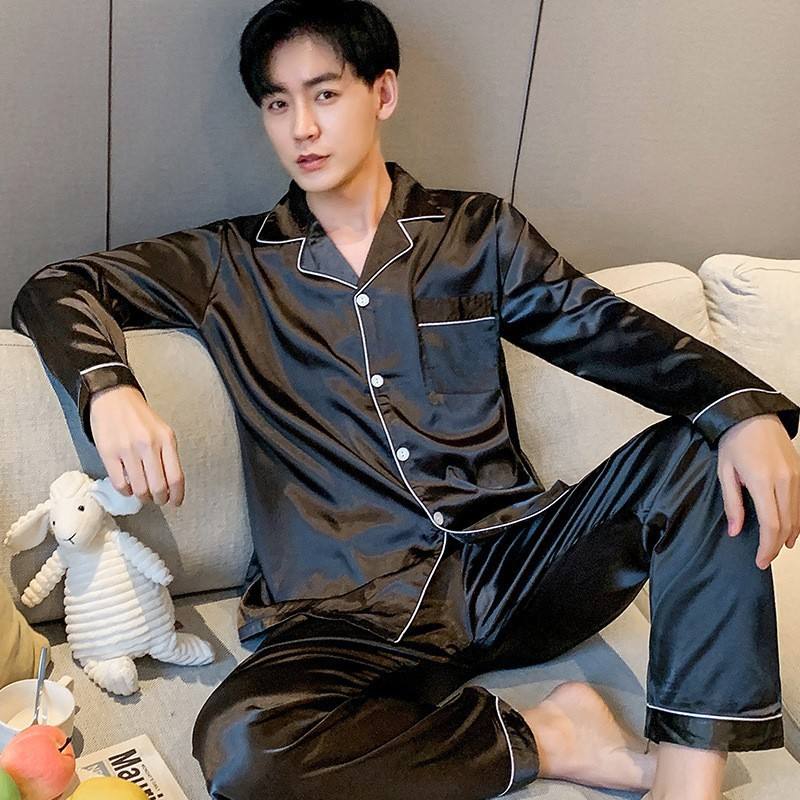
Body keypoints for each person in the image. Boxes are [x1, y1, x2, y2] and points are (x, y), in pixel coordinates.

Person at [11, 1, 800, 798]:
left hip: (510, 571)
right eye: (278, 103)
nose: (301, 127)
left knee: (708, 445)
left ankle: (685, 784)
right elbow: (56, 286)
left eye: (325, 94)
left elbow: (608, 330)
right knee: (244, 750)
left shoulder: (479, 233)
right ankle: (551, 738)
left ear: (382, 93)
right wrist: (108, 389)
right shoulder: (229, 263)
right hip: (340, 614)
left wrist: (742, 405)